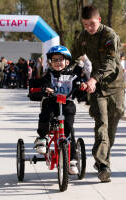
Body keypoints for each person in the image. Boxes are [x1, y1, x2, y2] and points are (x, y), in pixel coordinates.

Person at [71, 5, 125, 182]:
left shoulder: (109, 35)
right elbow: (74, 56)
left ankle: (103, 158)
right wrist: (62, 69)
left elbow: (110, 62)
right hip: (97, 88)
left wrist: (94, 78)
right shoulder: (84, 36)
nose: (88, 28)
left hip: (115, 85)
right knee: (101, 123)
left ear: (99, 20)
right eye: (85, 24)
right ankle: (103, 165)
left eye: (91, 24)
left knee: (112, 127)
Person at [34, 45, 81, 175]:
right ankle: (42, 138)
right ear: (50, 62)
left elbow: (79, 84)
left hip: (67, 104)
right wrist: (46, 88)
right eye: (54, 60)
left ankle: (72, 160)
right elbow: (44, 83)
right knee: (46, 114)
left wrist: (81, 86)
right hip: (52, 102)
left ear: (67, 61)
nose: (58, 63)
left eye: (60, 60)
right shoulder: (49, 74)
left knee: (69, 129)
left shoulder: (72, 75)